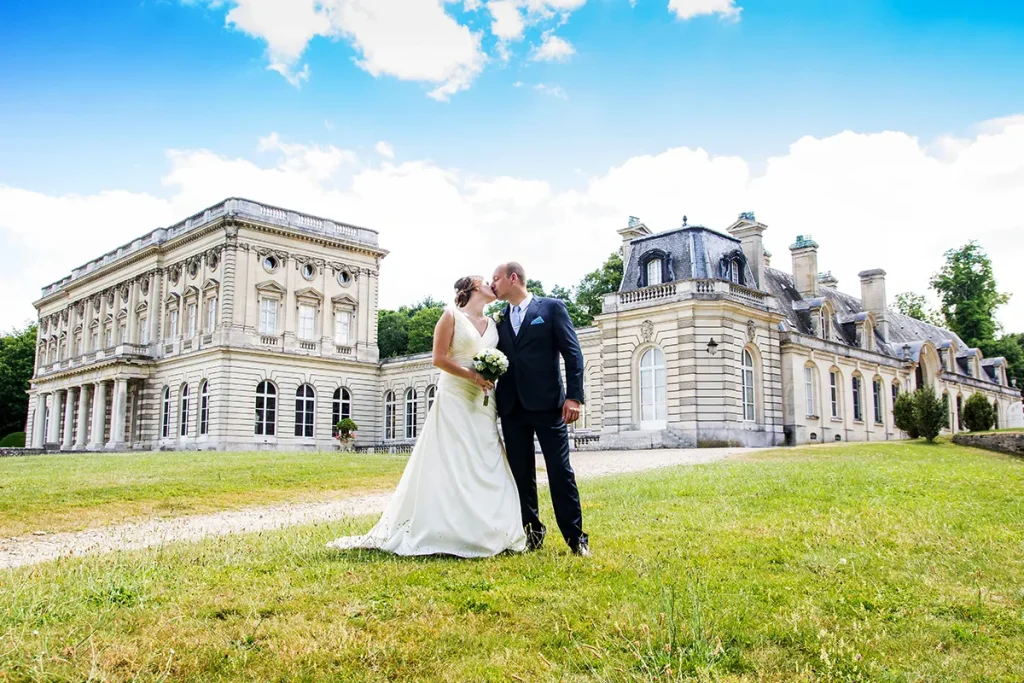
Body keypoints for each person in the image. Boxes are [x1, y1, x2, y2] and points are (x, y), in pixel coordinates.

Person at [326, 276, 526, 557]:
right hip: (456, 395)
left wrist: (489, 376)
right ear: (471, 289)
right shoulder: (451, 315)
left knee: (487, 457)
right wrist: (473, 375)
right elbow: (439, 359)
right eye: (485, 281)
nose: (491, 285)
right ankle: (446, 529)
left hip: (483, 401)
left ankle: (492, 528)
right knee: (452, 459)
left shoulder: (495, 324)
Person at [491, 262, 590, 557]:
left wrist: (574, 397)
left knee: (560, 471)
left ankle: (575, 537)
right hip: (512, 408)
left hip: (549, 406)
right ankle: (532, 531)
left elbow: (573, 353)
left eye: (496, 278)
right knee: (521, 474)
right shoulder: (498, 319)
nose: (492, 284)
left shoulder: (551, 308)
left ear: (513, 278)